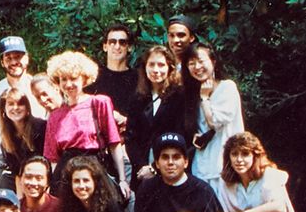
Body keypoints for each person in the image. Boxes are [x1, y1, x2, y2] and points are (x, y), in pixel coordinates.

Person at [43, 51, 130, 200]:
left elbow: (114, 143)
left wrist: (122, 179)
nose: (68, 84)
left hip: (95, 169)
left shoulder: (99, 103)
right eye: (64, 79)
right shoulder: (55, 115)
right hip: (65, 175)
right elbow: (53, 159)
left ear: (84, 79)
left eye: (73, 78)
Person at [0, 37, 47, 178]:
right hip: (5, 160)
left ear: (27, 59)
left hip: (38, 159)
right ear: (2, 62)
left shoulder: (40, 88)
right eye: (8, 58)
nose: (14, 62)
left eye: (18, 57)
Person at [182, 43, 244, 187]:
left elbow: (215, 122)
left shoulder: (227, 87)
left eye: (201, 61)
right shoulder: (192, 94)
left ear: (213, 62)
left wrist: (205, 98)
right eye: (191, 63)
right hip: (202, 164)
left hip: (225, 164)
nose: (197, 67)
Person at [125, 45, 185, 186]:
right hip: (142, 172)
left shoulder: (180, 96)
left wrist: (154, 167)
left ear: (170, 68)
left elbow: (182, 134)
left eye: (161, 65)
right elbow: (130, 137)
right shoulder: (138, 98)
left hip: (169, 168)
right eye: (151, 64)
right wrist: (141, 166)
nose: (156, 70)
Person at [87, 24, 136, 134]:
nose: (117, 46)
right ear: (105, 46)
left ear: (129, 47)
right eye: (112, 42)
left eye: (122, 42)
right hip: (98, 140)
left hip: (130, 138)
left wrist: (127, 122)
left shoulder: (138, 78)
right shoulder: (93, 76)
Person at [0, 88, 46, 192]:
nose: (16, 108)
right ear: (3, 109)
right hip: (27, 186)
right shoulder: (6, 141)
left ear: (27, 107)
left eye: (20, 104)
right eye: (11, 104)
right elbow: (18, 176)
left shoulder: (41, 127)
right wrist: (21, 203)